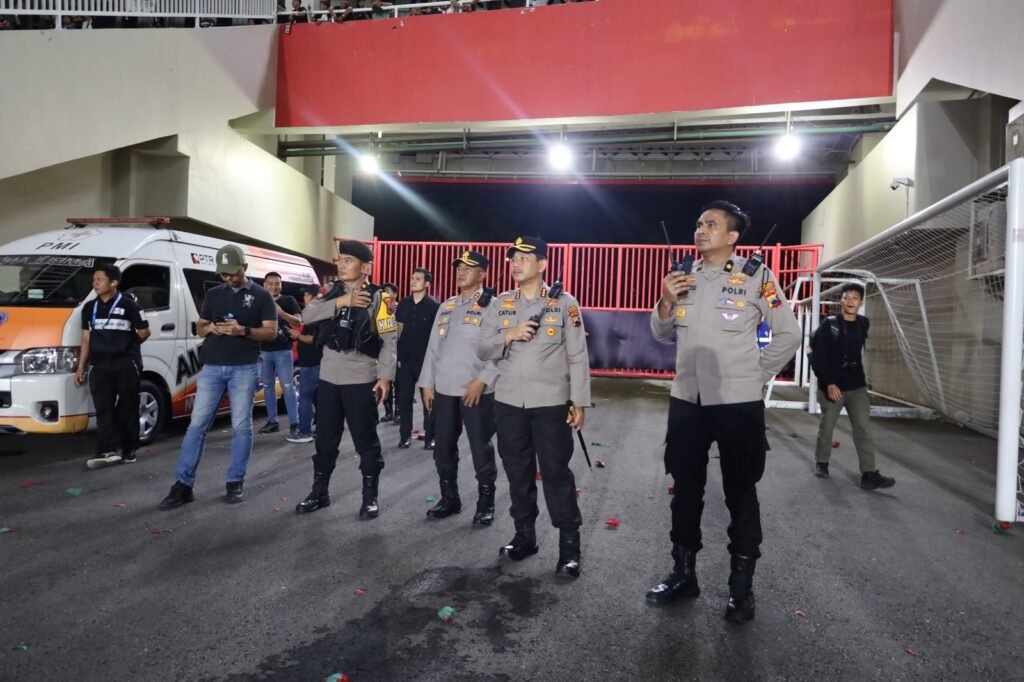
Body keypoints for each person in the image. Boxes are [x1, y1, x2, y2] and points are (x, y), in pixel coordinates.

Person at [646, 201, 800, 623]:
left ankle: (741, 589)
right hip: (687, 400)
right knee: (685, 490)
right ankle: (683, 575)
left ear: (732, 236)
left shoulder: (756, 276)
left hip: (737, 404)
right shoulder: (682, 275)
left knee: (740, 492)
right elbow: (660, 334)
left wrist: (754, 376)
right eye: (699, 223)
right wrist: (665, 301)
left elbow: (789, 334)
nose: (701, 229)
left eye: (711, 225)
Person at [477, 236, 591, 579]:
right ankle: (524, 537)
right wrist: (508, 334)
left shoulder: (564, 303)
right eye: (513, 258)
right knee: (518, 472)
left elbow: (578, 355)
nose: (516, 264)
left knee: (556, 473)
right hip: (509, 402)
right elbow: (482, 348)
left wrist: (579, 401)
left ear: (542, 264)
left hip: (551, 403)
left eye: (524, 258)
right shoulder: (500, 303)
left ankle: (569, 547)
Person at [159, 245, 277, 509]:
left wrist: (242, 330)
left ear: (244, 268)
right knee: (196, 426)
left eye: (233, 273)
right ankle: (183, 485)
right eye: (224, 274)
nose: (229, 278)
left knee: (241, 426)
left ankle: (235, 481)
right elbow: (200, 328)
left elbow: (270, 332)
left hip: (244, 367)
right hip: (212, 367)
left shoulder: (261, 296)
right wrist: (211, 326)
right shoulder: (213, 294)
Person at [294, 240, 397, 520]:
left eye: (348, 261)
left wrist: (385, 377)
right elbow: (306, 316)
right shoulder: (330, 292)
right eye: (340, 260)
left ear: (365, 267)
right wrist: (340, 302)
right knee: (325, 439)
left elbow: (389, 339)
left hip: (361, 378)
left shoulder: (380, 298)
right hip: (329, 377)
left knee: (366, 440)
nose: (341, 265)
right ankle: (320, 493)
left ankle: (370, 498)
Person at [418, 251, 500, 525]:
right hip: (444, 389)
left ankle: (486, 502)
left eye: (469, 268)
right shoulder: (447, 306)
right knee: (442, 448)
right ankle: (449, 498)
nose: (461, 271)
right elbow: (433, 348)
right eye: (459, 267)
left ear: (483, 274)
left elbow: (502, 350)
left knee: (480, 449)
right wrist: (427, 383)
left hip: (475, 390)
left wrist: (484, 379)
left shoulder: (494, 307)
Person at [811, 283, 895, 490]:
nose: (850, 301)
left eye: (855, 298)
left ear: (861, 302)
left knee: (863, 429)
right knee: (827, 426)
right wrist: (829, 383)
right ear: (841, 300)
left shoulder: (863, 323)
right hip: (832, 387)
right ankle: (822, 462)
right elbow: (818, 357)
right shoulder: (829, 325)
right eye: (847, 297)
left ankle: (868, 474)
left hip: (857, 386)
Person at [75, 264, 151, 469]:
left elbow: (144, 332)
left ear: (114, 282)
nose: (95, 284)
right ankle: (106, 450)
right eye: (94, 280)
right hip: (99, 365)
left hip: (126, 363)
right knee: (103, 409)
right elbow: (85, 338)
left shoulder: (129, 305)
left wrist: (127, 346)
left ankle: (129, 449)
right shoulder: (89, 307)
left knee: (128, 407)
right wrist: (81, 366)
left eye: (99, 280)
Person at [395, 268, 440, 449]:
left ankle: (431, 437)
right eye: (412, 278)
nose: (413, 281)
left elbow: (436, 337)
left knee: (428, 401)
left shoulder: (434, 307)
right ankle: (404, 436)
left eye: (418, 279)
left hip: (425, 361)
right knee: (404, 400)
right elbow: (398, 330)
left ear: (427, 283)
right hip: (404, 361)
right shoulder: (403, 304)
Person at [257, 272, 302, 437]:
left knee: (287, 386)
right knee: (268, 386)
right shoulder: (259, 300)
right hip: (264, 350)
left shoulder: (288, 300)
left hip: (283, 350)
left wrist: (281, 313)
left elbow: (298, 321)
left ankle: (294, 422)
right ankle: (272, 421)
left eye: (277, 283)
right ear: (264, 285)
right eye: (270, 283)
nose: (274, 287)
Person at [286, 284, 323, 444]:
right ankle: (320, 429)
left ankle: (304, 431)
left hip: (311, 363)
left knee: (305, 398)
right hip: (316, 362)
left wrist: (297, 335)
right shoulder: (320, 313)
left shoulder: (314, 315)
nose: (304, 298)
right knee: (317, 399)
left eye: (307, 295)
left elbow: (312, 338)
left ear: (315, 297)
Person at [378, 282, 400, 424]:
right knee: (385, 381)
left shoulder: (399, 308)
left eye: (387, 291)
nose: (385, 294)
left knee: (397, 384)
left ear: (395, 294)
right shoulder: (380, 307)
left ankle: (398, 412)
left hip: (398, 350)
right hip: (383, 351)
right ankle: (388, 412)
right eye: (383, 291)